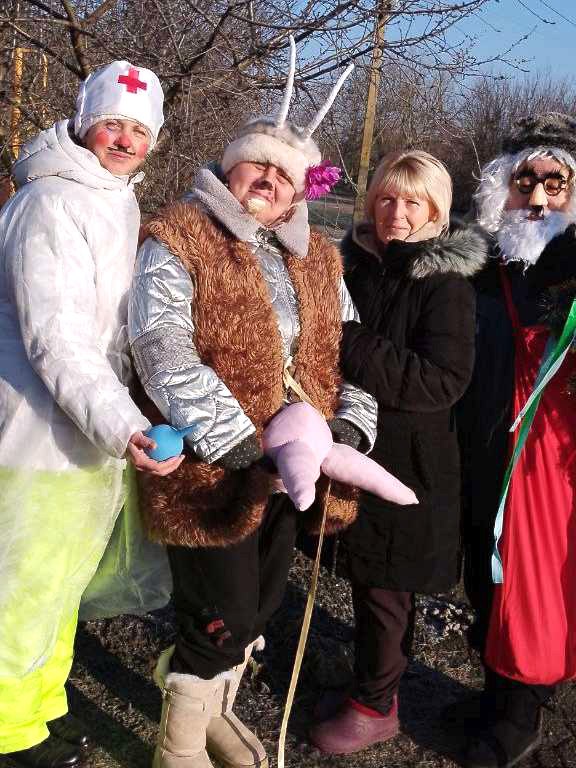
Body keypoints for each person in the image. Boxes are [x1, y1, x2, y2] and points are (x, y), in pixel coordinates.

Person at [128, 38, 377, 768]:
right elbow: (160, 344)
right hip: (214, 464)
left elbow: (351, 350)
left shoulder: (319, 257)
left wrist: (351, 426)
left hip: (296, 466)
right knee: (220, 614)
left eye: (285, 173)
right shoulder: (180, 235)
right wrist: (234, 438)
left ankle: (216, 715)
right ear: (229, 168)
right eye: (257, 164)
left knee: (260, 606)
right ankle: (179, 747)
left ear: (302, 191)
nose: (270, 179)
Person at [0, 61, 182, 768]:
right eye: (113, 123)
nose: (126, 140)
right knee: (23, 588)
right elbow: (57, 336)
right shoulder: (50, 202)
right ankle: (10, 734)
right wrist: (122, 423)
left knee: (60, 586)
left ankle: (37, 706)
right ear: (84, 124)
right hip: (36, 436)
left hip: (87, 432)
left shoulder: (113, 197)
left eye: (140, 129)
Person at [308, 149, 489, 755]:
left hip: (410, 458)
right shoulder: (357, 266)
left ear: (436, 210)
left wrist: (349, 341)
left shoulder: (446, 286)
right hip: (355, 443)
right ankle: (368, 681)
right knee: (363, 576)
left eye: (413, 201)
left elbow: (441, 380)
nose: (397, 213)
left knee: (388, 585)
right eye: (387, 197)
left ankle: (376, 704)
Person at [457, 113, 576, 768]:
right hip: (481, 440)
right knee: (485, 570)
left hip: (547, 459)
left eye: (554, 184)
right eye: (525, 181)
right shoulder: (483, 261)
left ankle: (521, 715)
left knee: (530, 583)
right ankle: (494, 694)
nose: (537, 198)